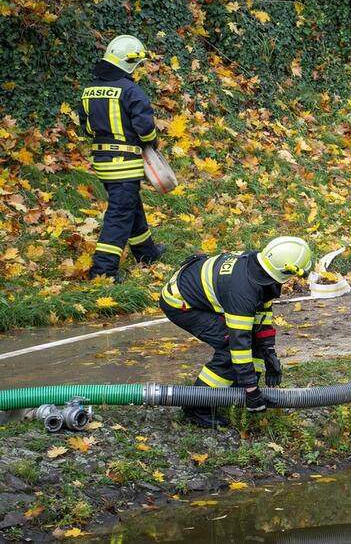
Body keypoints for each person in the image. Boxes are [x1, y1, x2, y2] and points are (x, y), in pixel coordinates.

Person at [159, 236, 313, 428]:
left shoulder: (260, 266)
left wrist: (268, 353)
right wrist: (251, 389)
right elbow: (238, 345)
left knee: (251, 344)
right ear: (286, 271)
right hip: (181, 303)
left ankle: (236, 394)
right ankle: (196, 406)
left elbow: (262, 312)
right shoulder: (242, 293)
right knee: (229, 351)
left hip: (202, 290)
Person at [75, 34, 166, 281]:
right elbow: (145, 129)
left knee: (130, 206)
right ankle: (103, 271)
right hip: (125, 165)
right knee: (119, 215)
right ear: (129, 62)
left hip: (102, 162)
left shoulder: (89, 90)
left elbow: (87, 128)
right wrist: (151, 142)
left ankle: (147, 253)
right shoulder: (131, 91)